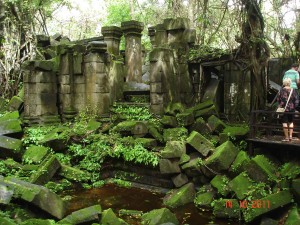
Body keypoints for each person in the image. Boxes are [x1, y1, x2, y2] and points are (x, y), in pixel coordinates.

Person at [277, 78, 299, 142]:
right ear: (290, 83)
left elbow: (278, 99)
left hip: (283, 109)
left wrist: (280, 104)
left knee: (284, 122)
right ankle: (290, 136)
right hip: (291, 109)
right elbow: (297, 100)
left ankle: (286, 137)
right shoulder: (293, 90)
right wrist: (295, 106)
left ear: (284, 82)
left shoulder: (281, 90)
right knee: (291, 122)